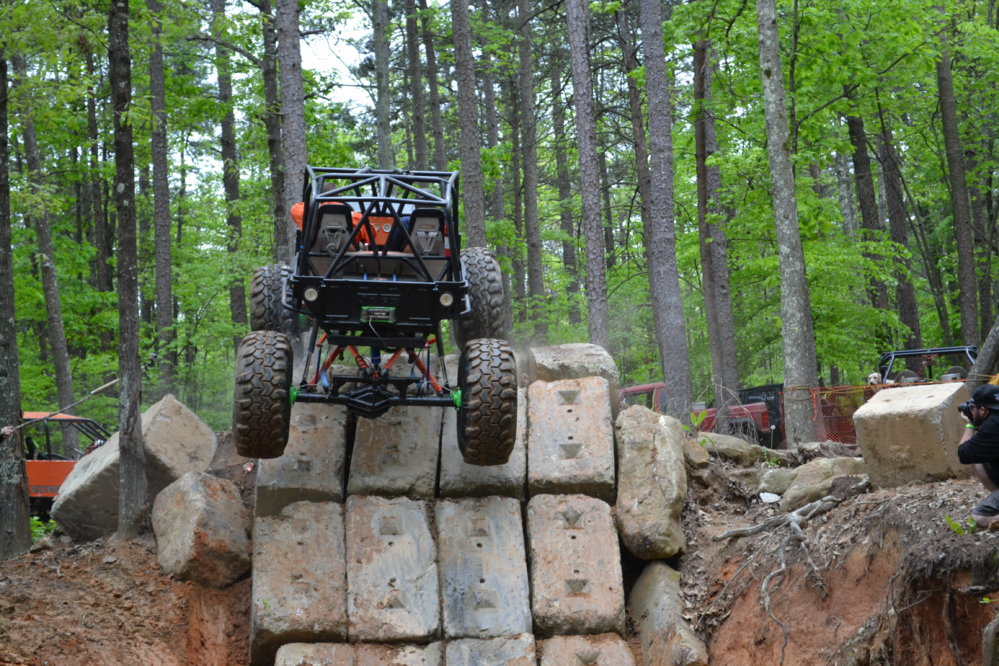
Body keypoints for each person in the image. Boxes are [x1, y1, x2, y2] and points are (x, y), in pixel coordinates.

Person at [956, 384, 999, 528]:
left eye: (972, 407)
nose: (970, 410)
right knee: (978, 461)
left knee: (979, 517)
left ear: (983, 410)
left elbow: (963, 454)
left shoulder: (992, 426)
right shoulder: (993, 422)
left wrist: (970, 425)